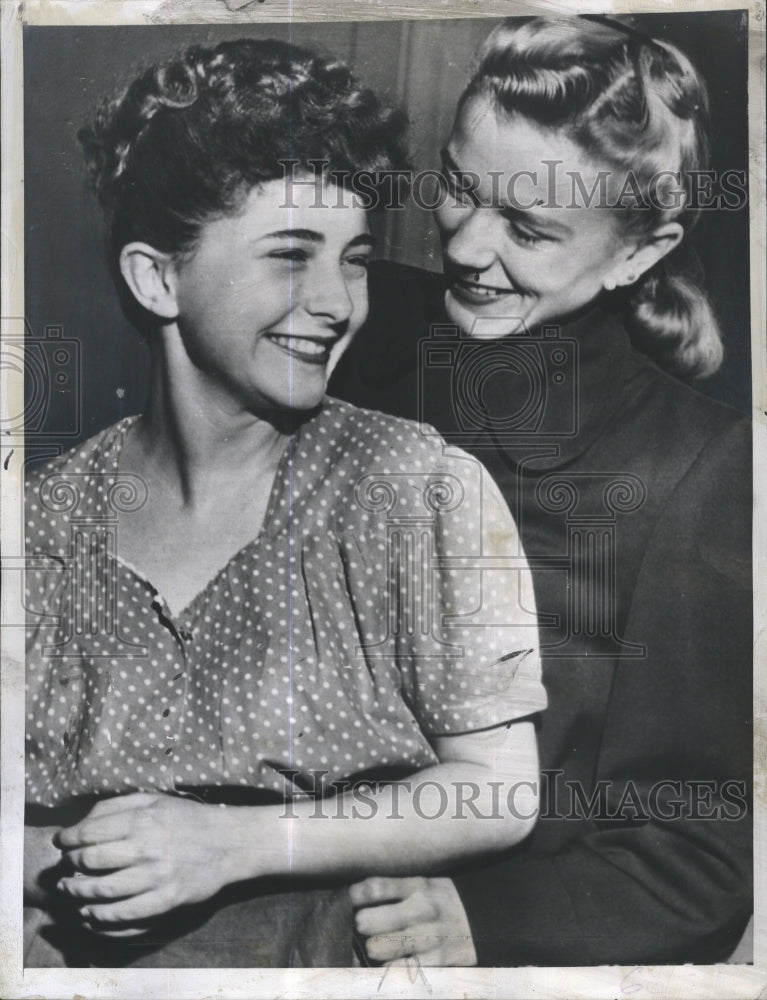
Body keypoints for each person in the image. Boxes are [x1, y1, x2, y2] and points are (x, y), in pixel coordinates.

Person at [22, 38, 547, 968]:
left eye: (352, 259)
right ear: (158, 278)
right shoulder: (39, 525)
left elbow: (500, 790)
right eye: (289, 255)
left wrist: (232, 845)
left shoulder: (417, 490)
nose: (337, 302)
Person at [331, 15, 752, 966]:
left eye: (527, 228)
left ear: (638, 254)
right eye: (457, 189)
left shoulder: (702, 468)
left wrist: (487, 919)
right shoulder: (352, 329)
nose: (468, 248)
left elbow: (692, 857)